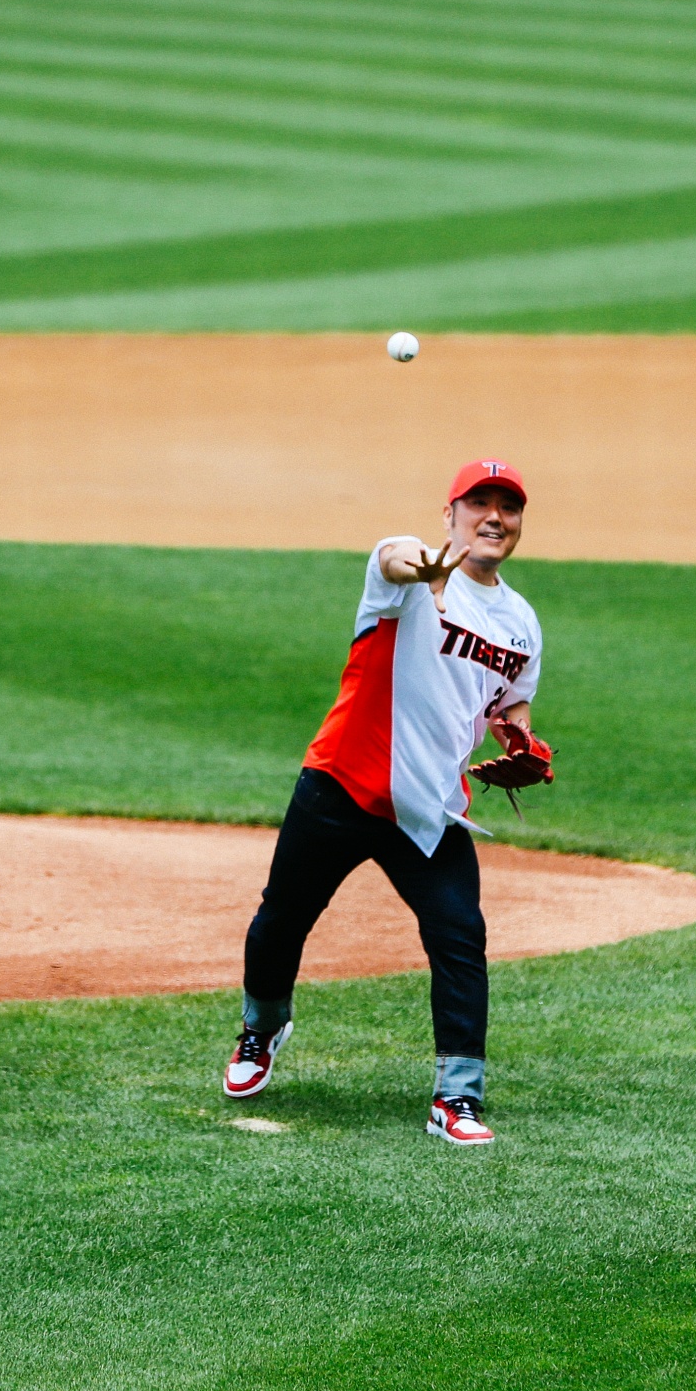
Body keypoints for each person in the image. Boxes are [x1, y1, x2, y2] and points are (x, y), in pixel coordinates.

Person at [222, 459, 553, 1146]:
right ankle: (263, 1025)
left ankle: (456, 1098)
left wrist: (519, 735)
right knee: (282, 920)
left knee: (460, 937)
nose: (494, 517)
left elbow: (510, 702)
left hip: (429, 810)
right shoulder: (405, 579)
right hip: (340, 785)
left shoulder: (522, 622)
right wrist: (422, 567)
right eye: (479, 503)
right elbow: (394, 557)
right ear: (450, 514)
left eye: (509, 506)